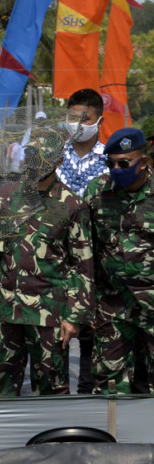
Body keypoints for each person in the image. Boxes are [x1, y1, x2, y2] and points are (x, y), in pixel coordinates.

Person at [0, 133, 93, 397]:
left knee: (52, 389)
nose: (37, 165)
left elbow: (82, 267)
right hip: (4, 310)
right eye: (33, 158)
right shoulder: (6, 197)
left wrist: (74, 316)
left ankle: (54, 440)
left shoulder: (72, 205)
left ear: (59, 161)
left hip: (49, 313)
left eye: (44, 159)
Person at [85, 127, 154, 395]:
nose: (116, 169)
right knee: (109, 384)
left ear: (144, 162)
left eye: (124, 163)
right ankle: (114, 435)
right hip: (112, 304)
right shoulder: (97, 191)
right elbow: (82, 245)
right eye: (110, 162)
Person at [55, 88, 107, 395]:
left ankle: (89, 396)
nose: (77, 125)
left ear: (98, 119)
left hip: (97, 261)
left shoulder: (110, 161)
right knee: (55, 337)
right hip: (57, 260)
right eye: (72, 118)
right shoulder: (54, 157)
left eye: (83, 118)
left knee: (94, 337)